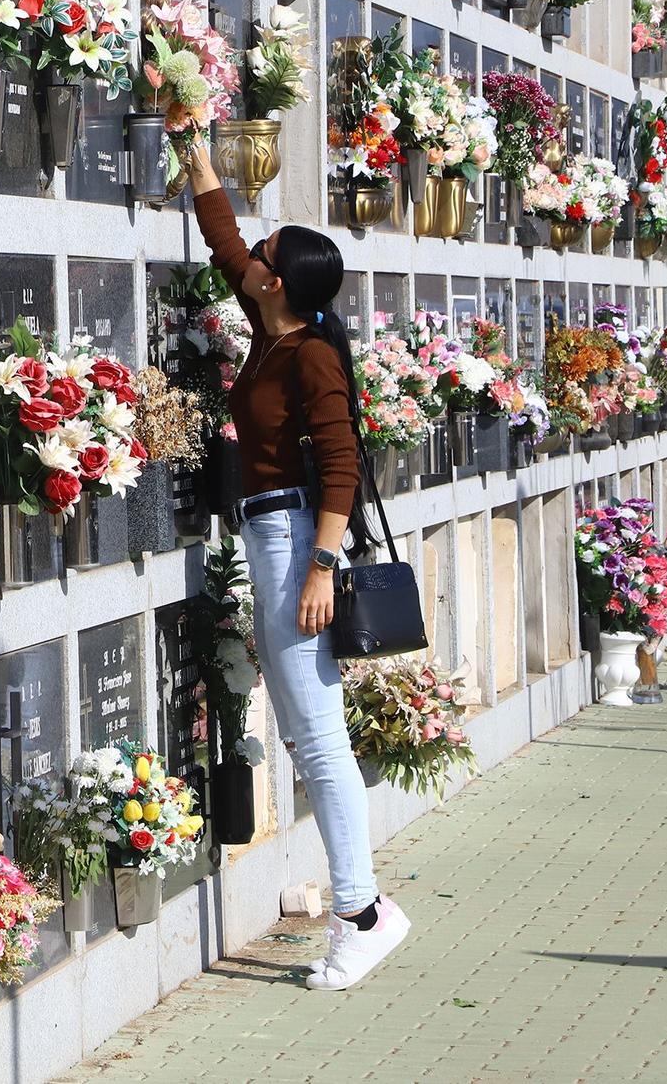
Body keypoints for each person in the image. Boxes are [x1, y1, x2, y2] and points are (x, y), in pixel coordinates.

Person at [186, 142, 412, 991]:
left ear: (279, 284)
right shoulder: (274, 332)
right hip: (268, 536)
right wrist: (192, 147)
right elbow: (224, 244)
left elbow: (343, 463)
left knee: (319, 740)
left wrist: (320, 566)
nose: (254, 260)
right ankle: (364, 909)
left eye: (267, 257)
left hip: (292, 544)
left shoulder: (312, 356)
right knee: (307, 731)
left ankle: (361, 914)